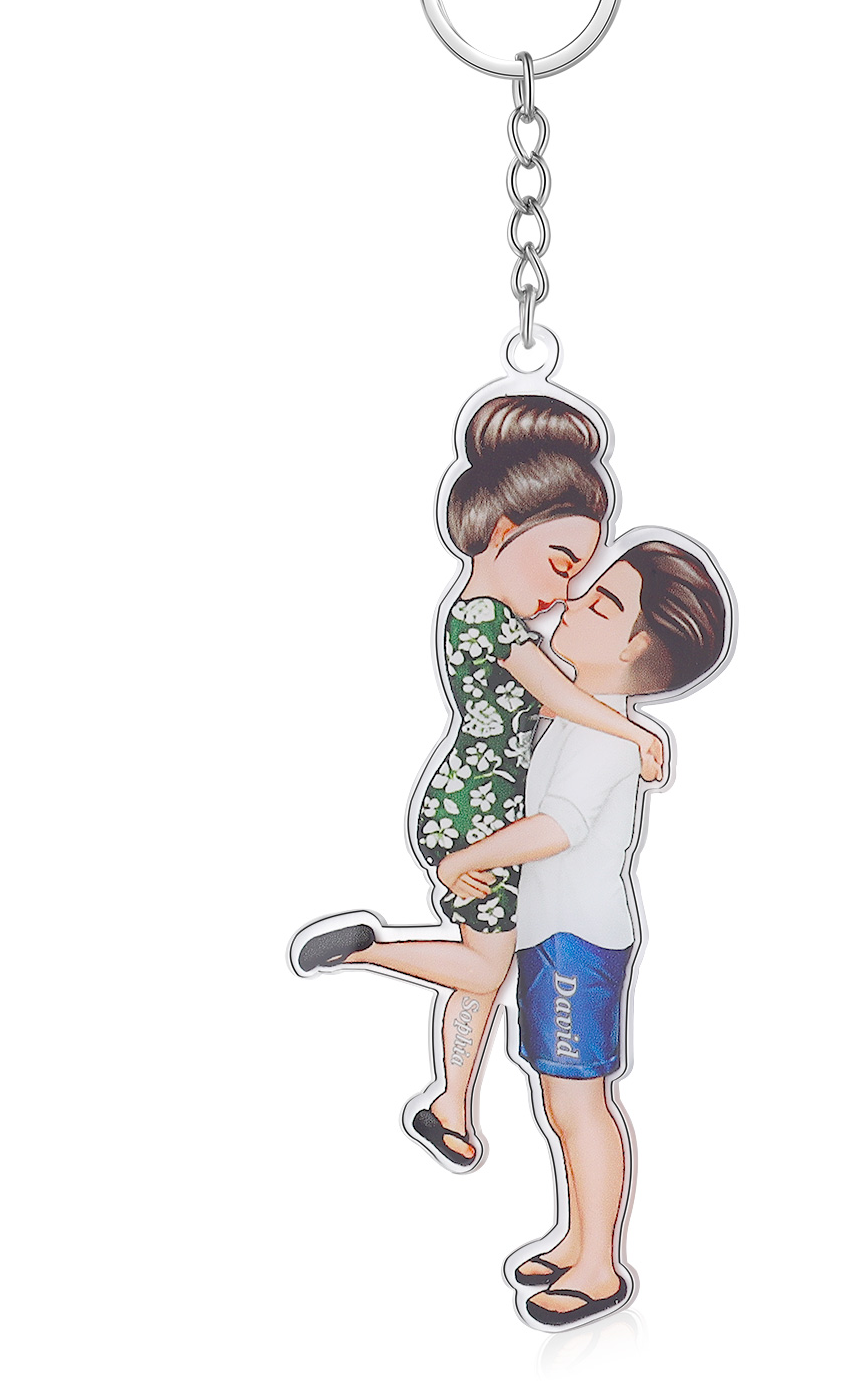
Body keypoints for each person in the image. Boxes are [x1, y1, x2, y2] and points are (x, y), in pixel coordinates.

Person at [290, 396, 662, 1168]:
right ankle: (369, 950)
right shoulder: (489, 621)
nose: (566, 591)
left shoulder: (479, 616)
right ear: (503, 531)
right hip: (478, 808)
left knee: (480, 975)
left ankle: (451, 1104)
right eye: (560, 563)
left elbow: (553, 696)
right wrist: (635, 733)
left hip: (473, 799)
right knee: (486, 964)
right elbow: (558, 695)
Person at [444, 538, 730, 1326]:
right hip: (553, 932)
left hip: (575, 941)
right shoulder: (584, 717)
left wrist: (469, 857)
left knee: (579, 1105)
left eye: (602, 603)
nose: (572, 599)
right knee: (561, 1101)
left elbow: (559, 827)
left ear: (636, 648)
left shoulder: (607, 736)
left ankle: (600, 1266)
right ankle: (578, 1240)